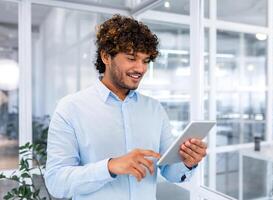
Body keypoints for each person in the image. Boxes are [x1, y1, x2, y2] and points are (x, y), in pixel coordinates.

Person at [45, 14, 207, 200]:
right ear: (106, 56)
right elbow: (56, 182)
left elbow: (170, 172)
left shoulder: (154, 109)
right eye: (131, 58)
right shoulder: (70, 108)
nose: (141, 68)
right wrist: (109, 166)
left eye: (146, 61)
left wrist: (187, 162)